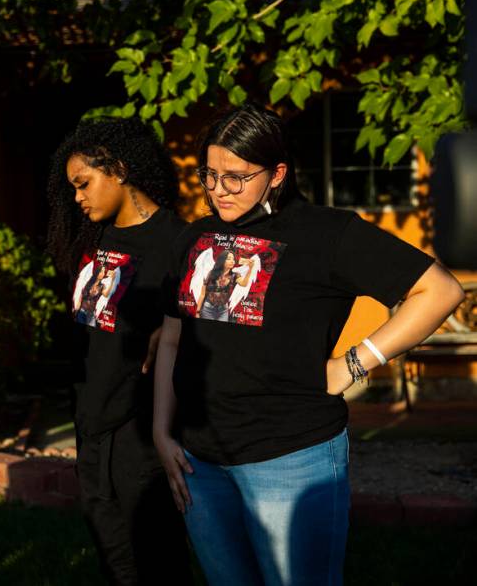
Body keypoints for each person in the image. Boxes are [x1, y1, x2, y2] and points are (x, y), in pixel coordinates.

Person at [153, 103, 465, 585]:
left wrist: (353, 364)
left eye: (236, 177)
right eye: (209, 175)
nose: (219, 190)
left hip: (291, 460)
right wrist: (162, 432)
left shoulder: (326, 233)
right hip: (201, 464)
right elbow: (173, 336)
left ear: (276, 174)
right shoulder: (197, 236)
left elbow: (440, 290)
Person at [46, 118, 193, 585]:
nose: (78, 197)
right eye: (73, 187)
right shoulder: (92, 240)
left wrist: (178, 328)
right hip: (92, 424)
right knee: (113, 564)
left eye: (84, 183)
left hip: (142, 430)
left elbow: (205, 323)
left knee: (158, 561)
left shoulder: (178, 240)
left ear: (119, 170)